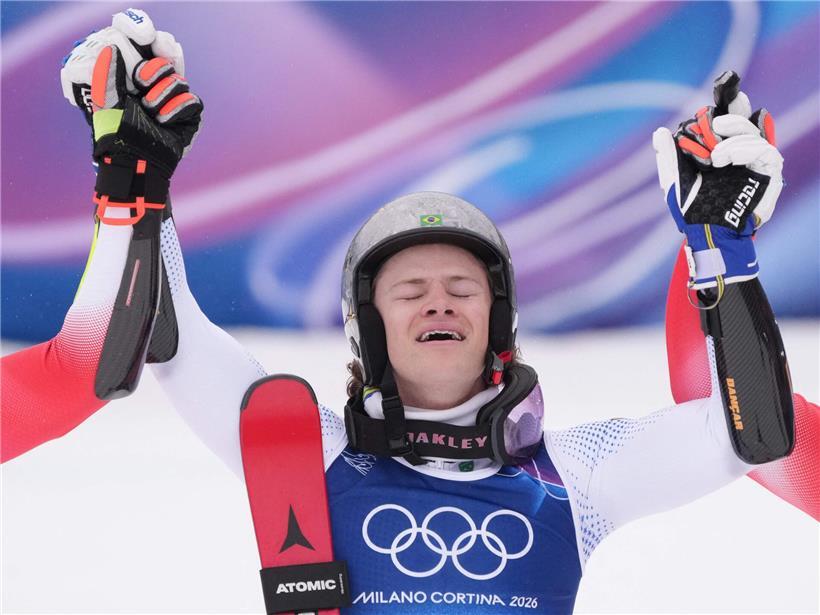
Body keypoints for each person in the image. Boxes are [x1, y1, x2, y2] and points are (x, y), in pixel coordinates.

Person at [1, 9, 817, 613]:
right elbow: (162, 336)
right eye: (409, 290)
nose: (438, 302)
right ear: (369, 327)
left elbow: (747, 434)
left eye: (462, 289)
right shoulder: (302, 446)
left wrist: (721, 253)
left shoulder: (579, 475)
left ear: (498, 323)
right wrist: (134, 174)